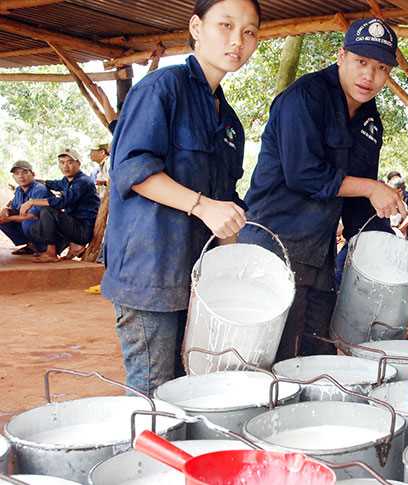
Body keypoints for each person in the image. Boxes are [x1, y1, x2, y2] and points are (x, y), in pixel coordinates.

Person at [101, 0, 261, 396]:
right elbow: (132, 171)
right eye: (225, 25)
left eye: (249, 32)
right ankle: (143, 459)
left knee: (188, 391)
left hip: (196, 280)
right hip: (150, 274)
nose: (237, 41)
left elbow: (224, 205)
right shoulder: (161, 89)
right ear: (196, 27)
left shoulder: (229, 123)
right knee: (153, 394)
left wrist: (238, 274)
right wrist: (203, 206)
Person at [241, 18, 405, 360]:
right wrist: (372, 188)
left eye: (381, 68)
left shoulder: (370, 121)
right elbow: (302, 174)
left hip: (319, 256)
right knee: (274, 357)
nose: (369, 76)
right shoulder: (304, 97)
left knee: (317, 355)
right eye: (361, 62)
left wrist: (389, 255)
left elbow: (360, 205)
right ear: (341, 55)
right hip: (274, 245)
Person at [19, 149, 100, 263]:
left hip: (83, 230)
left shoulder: (83, 181)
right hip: (72, 225)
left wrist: (32, 201)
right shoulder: (66, 180)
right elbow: (54, 184)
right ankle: (67, 247)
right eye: (62, 162)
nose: (65, 166)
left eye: (70, 162)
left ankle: (51, 253)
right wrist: (33, 180)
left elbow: (63, 202)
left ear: (78, 163)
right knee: (35, 228)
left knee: (47, 211)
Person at [0, 161, 50, 255]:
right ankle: (31, 245)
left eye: (24, 172)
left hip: (47, 228)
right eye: (17, 173)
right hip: (31, 224)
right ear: (13, 177)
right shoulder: (19, 190)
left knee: (27, 220)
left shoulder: (39, 189)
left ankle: (44, 247)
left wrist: (8, 219)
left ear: (33, 174)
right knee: (2, 217)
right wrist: (6, 210)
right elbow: (14, 208)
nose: (21, 176)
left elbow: (32, 216)